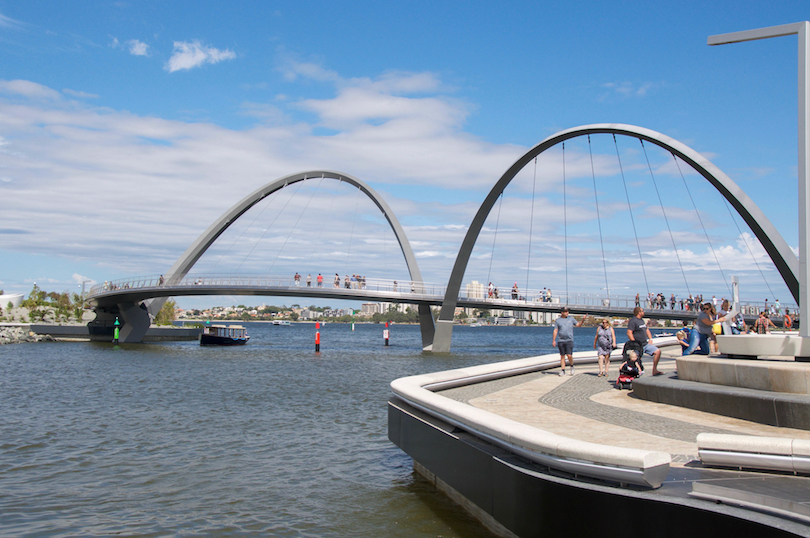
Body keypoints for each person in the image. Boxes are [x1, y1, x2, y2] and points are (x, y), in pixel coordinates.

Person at [627, 306, 663, 376]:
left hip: (645, 344)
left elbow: (646, 329)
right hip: (637, 345)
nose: (644, 312)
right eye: (642, 311)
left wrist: (650, 339)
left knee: (657, 352)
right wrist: (634, 343)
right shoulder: (633, 321)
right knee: (636, 360)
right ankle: (635, 373)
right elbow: (629, 332)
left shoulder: (641, 320)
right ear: (639, 312)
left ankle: (654, 370)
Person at [552, 307, 585, 376]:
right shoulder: (558, 320)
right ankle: (563, 370)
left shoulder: (571, 319)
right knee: (562, 356)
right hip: (561, 340)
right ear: (562, 312)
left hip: (569, 340)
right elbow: (555, 330)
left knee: (569, 355)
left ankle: (572, 365)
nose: (567, 313)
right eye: (565, 311)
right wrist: (554, 340)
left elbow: (578, 325)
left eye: (568, 311)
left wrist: (583, 320)